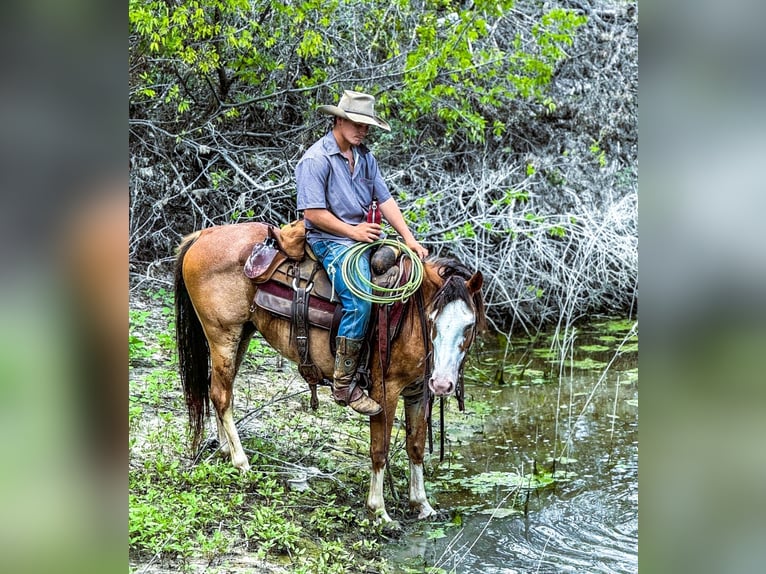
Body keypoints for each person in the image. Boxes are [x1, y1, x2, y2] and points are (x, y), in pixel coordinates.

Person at [295, 90, 429, 416]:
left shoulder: (365, 158)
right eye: (357, 123)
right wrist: (354, 231)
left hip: (359, 239)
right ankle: (344, 383)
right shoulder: (316, 160)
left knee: (404, 276)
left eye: (367, 126)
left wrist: (408, 239)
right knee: (360, 299)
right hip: (329, 240)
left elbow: (385, 200)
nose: (362, 131)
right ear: (338, 120)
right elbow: (312, 213)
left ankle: (383, 360)